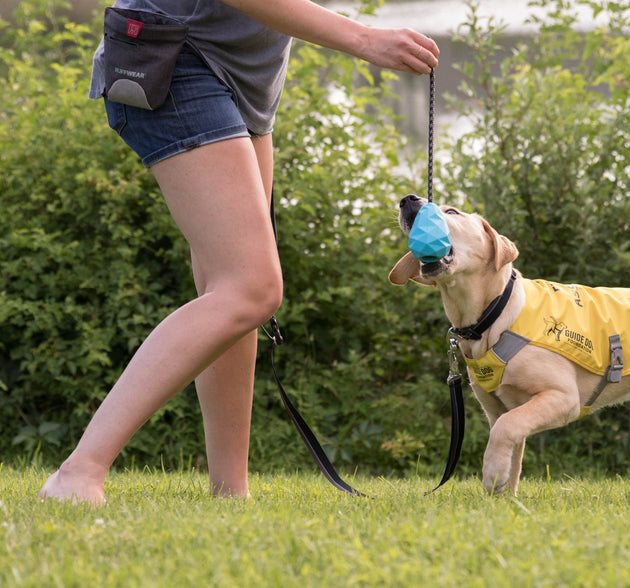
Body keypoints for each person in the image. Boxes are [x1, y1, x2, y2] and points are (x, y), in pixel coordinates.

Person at [38, 0, 439, 505]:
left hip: (239, 84)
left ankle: (231, 493)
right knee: (252, 289)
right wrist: (362, 39)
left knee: (228, 290)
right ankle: (78, 473)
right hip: (174, 60)